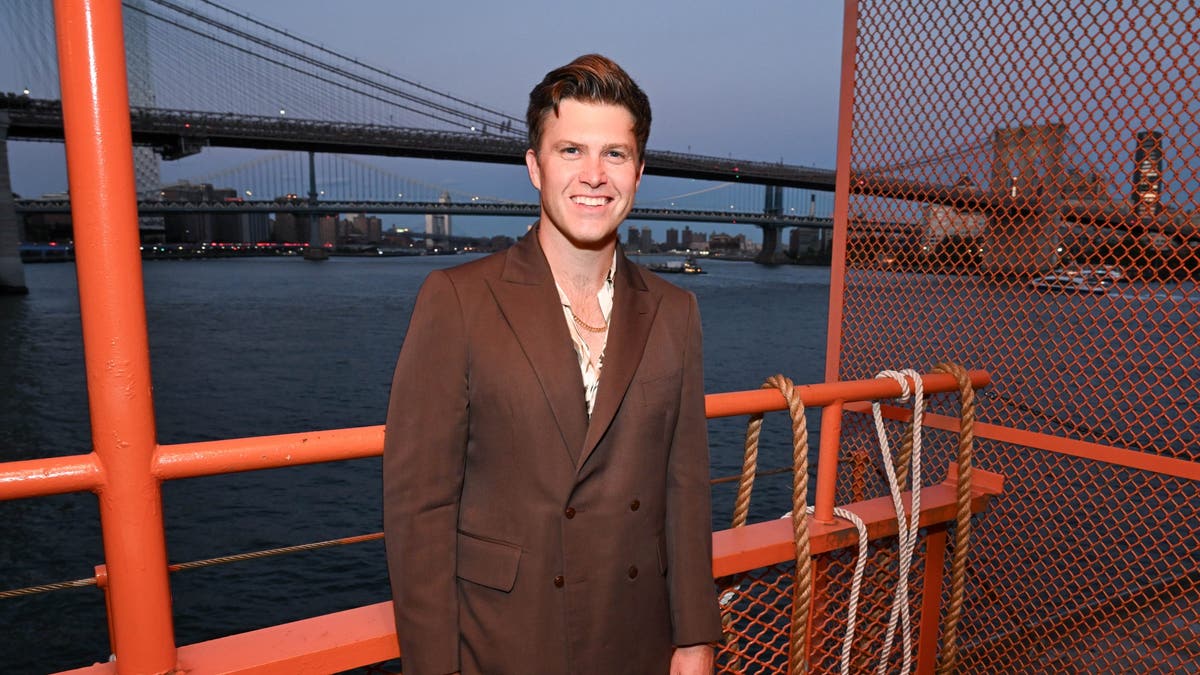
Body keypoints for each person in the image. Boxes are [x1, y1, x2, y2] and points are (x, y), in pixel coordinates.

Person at [383, 53, 722, 675]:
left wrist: (696, 639)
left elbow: (686, 489)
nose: (594, 175)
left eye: (614, 154)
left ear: (639, 172)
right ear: (535, 167)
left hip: (636, 640)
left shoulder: (677, 311)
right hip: (506, 641)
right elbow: (419, 512)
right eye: (571, 151)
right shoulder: (457, 300)